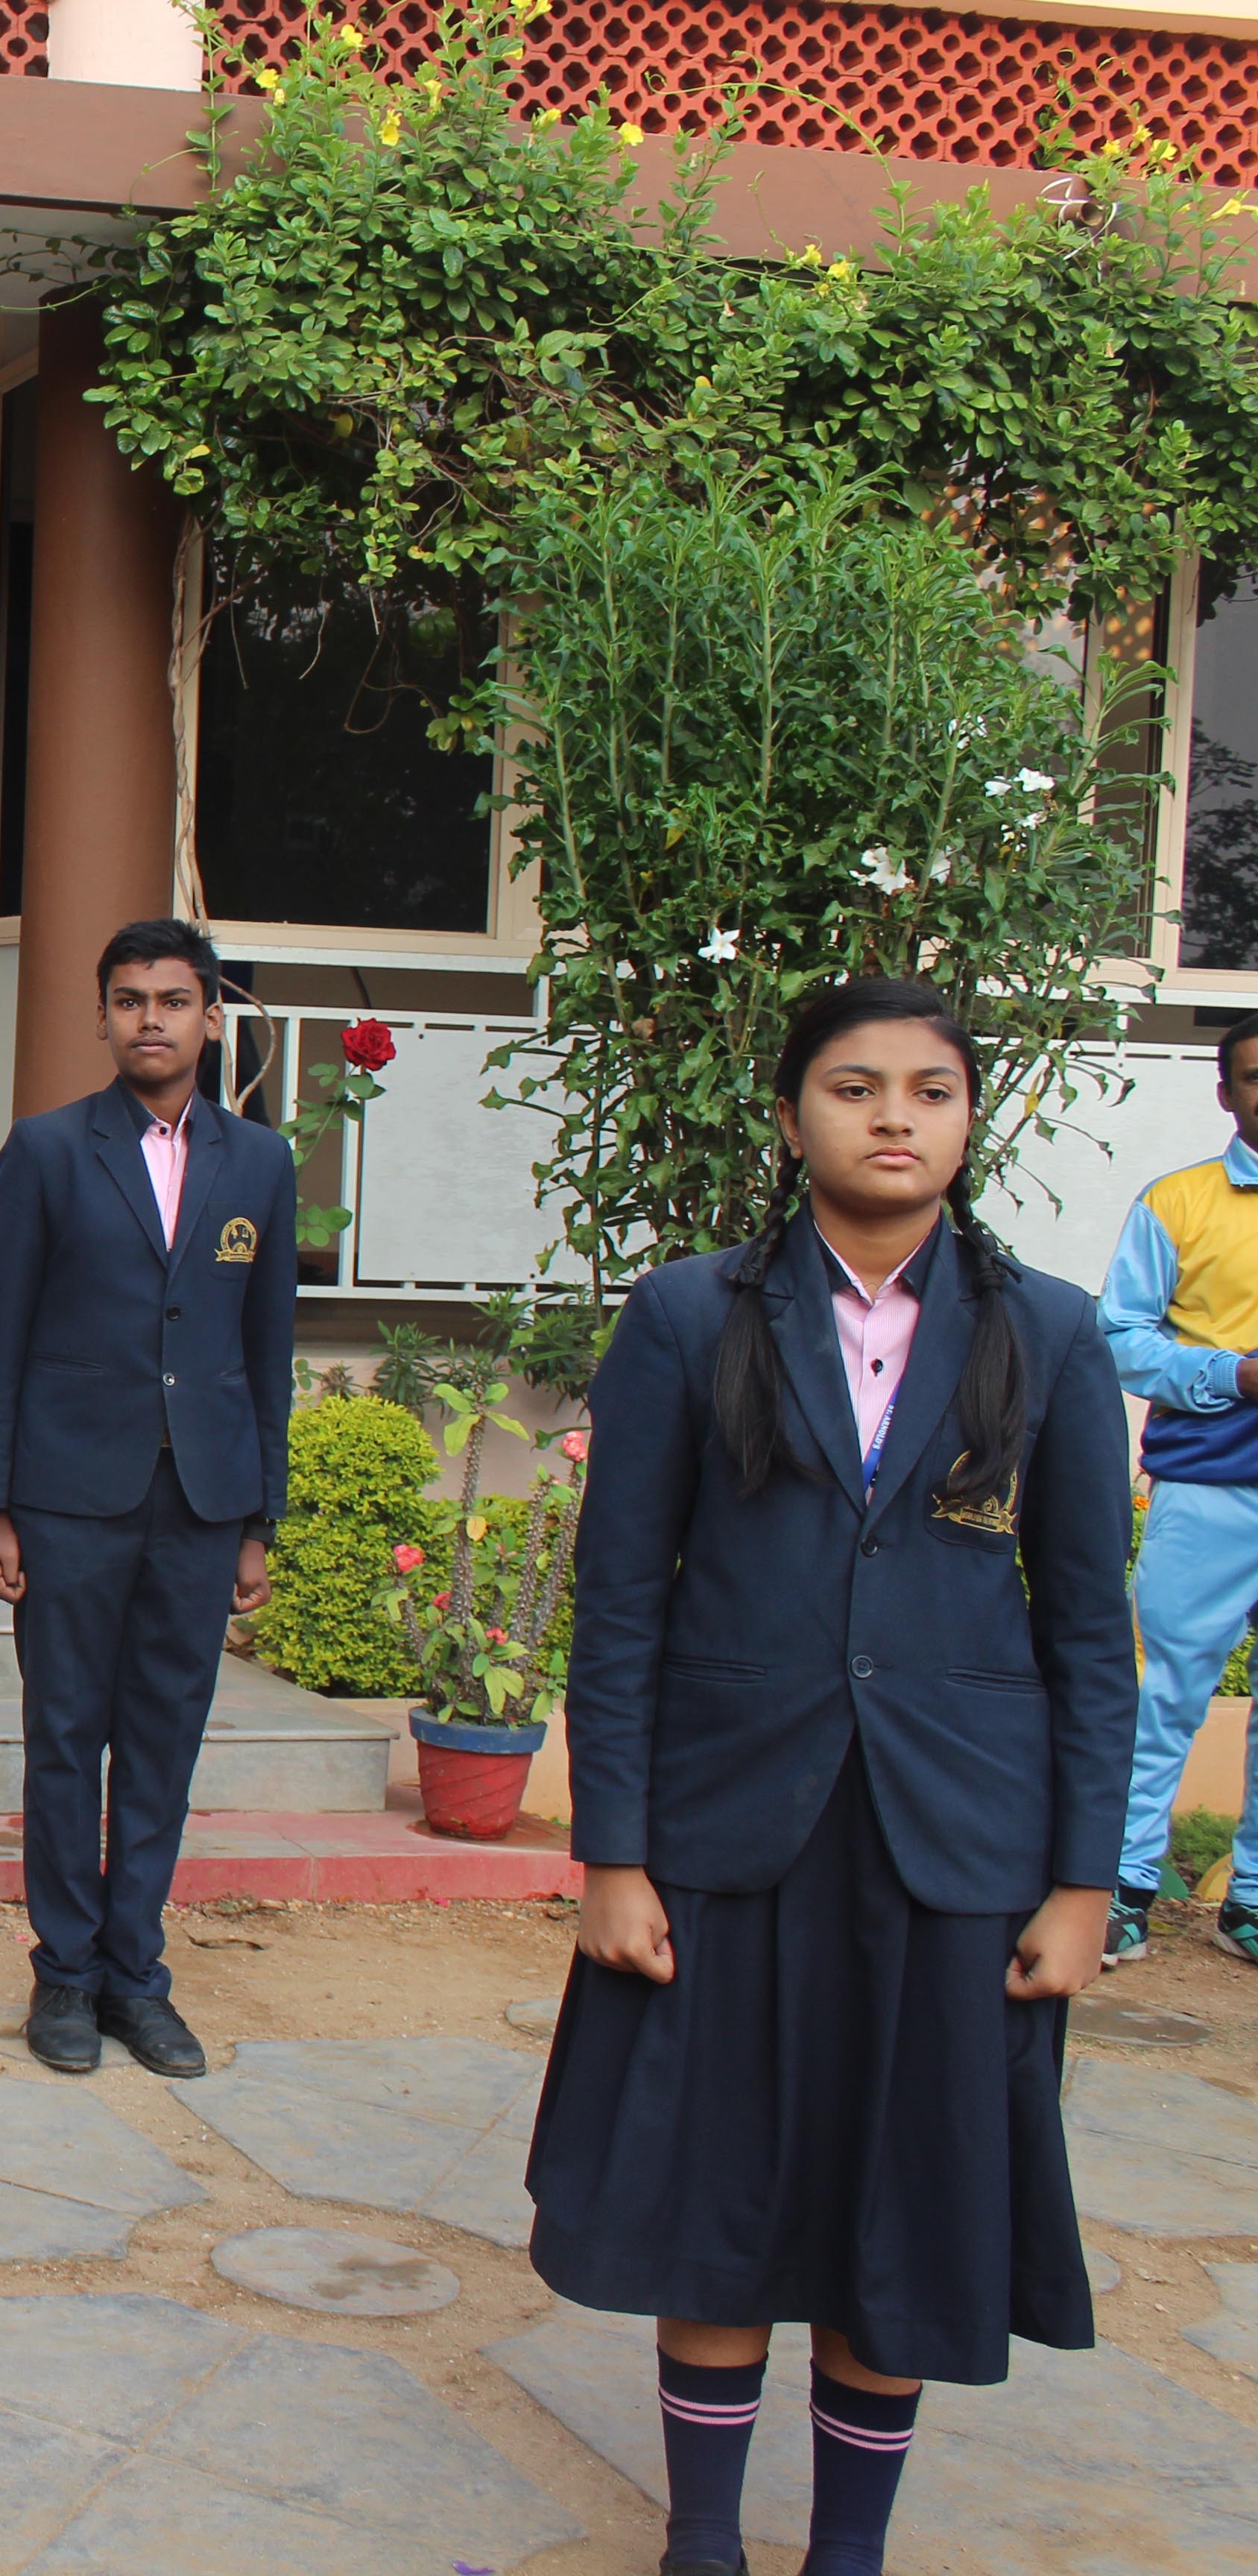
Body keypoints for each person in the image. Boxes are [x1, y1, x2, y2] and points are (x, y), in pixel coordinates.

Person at [532, 977, 1128, 2576]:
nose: (892, 1118)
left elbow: (1087, 1626)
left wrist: (1083, 1881)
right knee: (714, 2195)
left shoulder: (1045, 1329)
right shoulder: (688, 1316)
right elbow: (621, 1598)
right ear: (790, 1115)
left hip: (957, 1844)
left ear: (968, 1120)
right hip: (728, 1833)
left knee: (908, 2209)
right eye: (853, 1087)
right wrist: (613, 1855)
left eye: (929, 1090)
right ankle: (703, 2541)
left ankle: (846, 2551)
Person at [0, 918, 295, 2080]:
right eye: (130, 1001)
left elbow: (266, 1351)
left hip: (201, 1502)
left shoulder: (261, 1164)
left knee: (163, 1743)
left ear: (211, 1017)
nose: (151, 1020)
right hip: (67, 1498)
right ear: (102, 1017)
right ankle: (64, 1975)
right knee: (65, 1738)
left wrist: (258, 1521)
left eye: (173, 1000)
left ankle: (135, 1978)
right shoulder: (49, 1152)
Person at [1095, 1017, 1258, 1968]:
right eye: (1256, 1077)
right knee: (1162, 1694)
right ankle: (1120, 1889)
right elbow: (1120, 1336)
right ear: (1226, 1092)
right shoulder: (1178, 1203)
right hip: (1211, 1484)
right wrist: (1233, 1375)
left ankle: (1251, 1901)